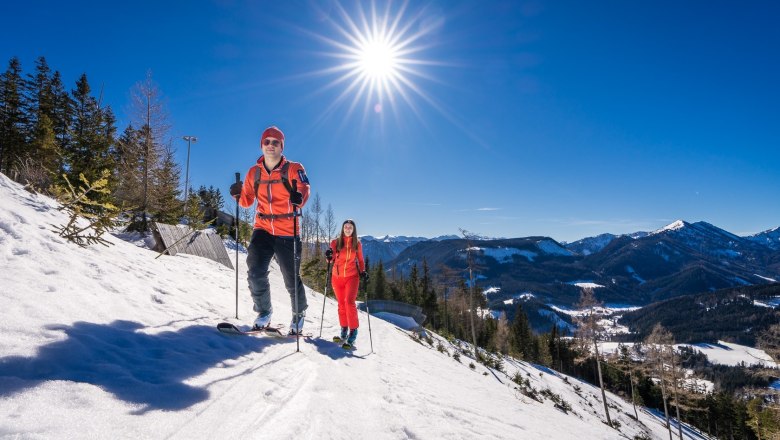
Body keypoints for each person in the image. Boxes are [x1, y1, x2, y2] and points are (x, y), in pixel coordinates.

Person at [230, 126, 310, 335]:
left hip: (287, 230)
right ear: (262, 145)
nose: (271, 145)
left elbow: (304, 188)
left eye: (276, 142)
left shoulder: (293, 168)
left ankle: (298, 314)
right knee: (255, 271)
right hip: (263, 228)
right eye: (267, 142)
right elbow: (247, 201)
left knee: (290, 277)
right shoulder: (253, 172)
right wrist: (237, 194)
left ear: (282, 146)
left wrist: (299, 198)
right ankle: (264, 312)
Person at [325, 219, 367, 349]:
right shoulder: (335, 242)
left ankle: (353, 332)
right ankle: (344, 331)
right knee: (341, 305)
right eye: (346, 227)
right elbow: (330, 260)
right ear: (342, 229)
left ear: (353, 230)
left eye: (350, 227)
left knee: (349, 303)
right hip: (337, 278)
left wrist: (363, 271)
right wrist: (328, 255)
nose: (348, 229)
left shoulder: (357, 244)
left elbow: (360, 260)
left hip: (352, 277)